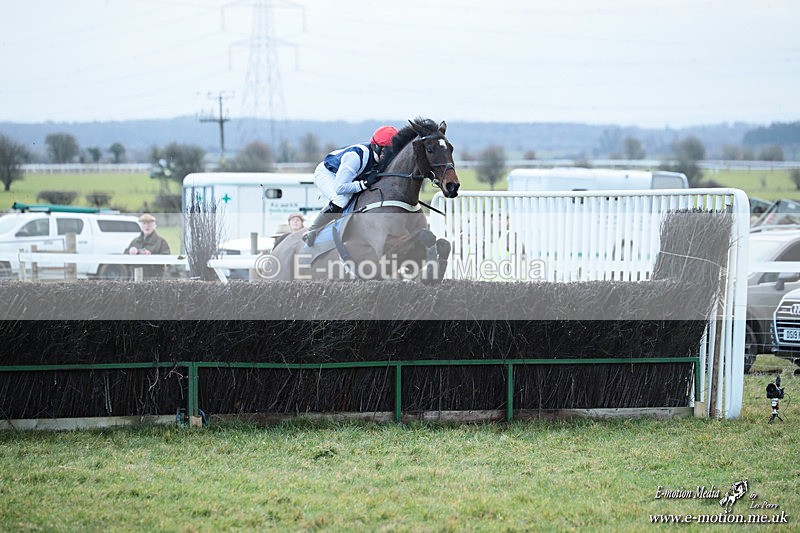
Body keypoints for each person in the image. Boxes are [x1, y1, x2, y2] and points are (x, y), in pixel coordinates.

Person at [302, 125, 398, 246]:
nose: (389, 157)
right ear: (377, 147)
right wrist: (363, 184)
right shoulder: (355, 157)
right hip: (328, 173)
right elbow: (340, 188)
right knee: (342, 199)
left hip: (351, 176)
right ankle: (312, 230)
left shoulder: (380, 157)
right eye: (386, 152)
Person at [124, 213, 171, 278]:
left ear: (154, 226)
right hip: (137, 279)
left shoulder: (161, 242)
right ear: (141, 226)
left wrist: (151, 256)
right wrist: (130, 252)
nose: (146, 226)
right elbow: (124, 260)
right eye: (144, 223)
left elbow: (167, 260)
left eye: (149, 223)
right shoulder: (135, 241)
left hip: (155, 280)